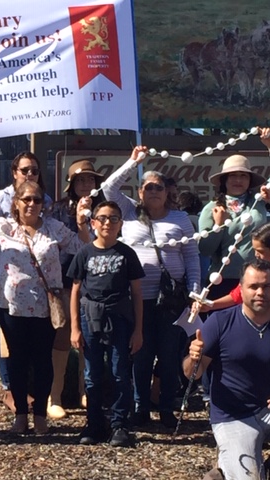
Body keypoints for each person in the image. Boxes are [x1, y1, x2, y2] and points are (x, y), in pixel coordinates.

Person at [0, 180, 90, 434]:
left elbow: (82, 247)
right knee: (17, 361)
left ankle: (41, 415)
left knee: (43, 360)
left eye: (37, 200)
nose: (32, 204)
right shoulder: (3, 226)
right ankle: (21, 414)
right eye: (27, 199)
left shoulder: (54, 228)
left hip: (46, 307)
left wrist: (81, 224)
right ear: (16, 203)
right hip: (11, 306)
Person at [104, 146, 201, 429]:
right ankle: (141, 408)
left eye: (159, 187)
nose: (154, 192)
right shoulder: (129, 212)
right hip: (138, 298)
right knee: (140, 354)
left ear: (167, 191)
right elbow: (109, 188)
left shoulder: (180, 219)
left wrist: (195, 291)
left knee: (170, 356)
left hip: (172, 299)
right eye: (148, 187)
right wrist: (132, 161)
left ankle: (167, 408)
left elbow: (192, 256)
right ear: (140, 192)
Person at [184, 259, 270, 480]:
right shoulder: (219, 322)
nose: (260, 292)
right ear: (241, 289)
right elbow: (192, 372)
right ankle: (228, 470)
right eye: (253, 287)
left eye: (266, 286)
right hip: (234, 416)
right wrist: (194, 358)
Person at [69, 201, 144, 447]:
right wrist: (75, 328)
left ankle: (120, 424)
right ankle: (94, 423)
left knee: (119, 372)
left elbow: (137, 293)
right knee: (92, 374)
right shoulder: (85, 253)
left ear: (120, 224)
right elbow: (76, 290)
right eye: (102, 218)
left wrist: (138, 330)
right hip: (90, 318)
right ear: (93, 223)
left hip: (120, 319)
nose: (107, 223)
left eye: (113, 218)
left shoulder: (126, 254)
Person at [0, 151, 53, 412]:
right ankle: (10, 390)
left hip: (39, 285)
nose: (29, 174)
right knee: (9, 342)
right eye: (25, 170)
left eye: (34, 170)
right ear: (14, 172)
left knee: (39, 353)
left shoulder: (45, 200)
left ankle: (36, 404)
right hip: (5, 271)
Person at [49, 157, 104, 418]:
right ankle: (55, 396)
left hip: (95, 283)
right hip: (64, 280)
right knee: (62, 335)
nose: (85, 184)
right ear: (71, 184)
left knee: (88, 337)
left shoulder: (104, 210)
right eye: (80, 179)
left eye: (90, 179)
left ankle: (86, 391)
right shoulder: (58, 210)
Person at [198, 142, 270, 302]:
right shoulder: (212, 208)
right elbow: (204, 249)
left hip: (259, 278)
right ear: (224, 180)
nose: (238, 180)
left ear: (250, 180)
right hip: (223, 280)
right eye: (233, 175)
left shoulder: (259, 202)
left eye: (243, 175)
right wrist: (218, 225)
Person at [197, 223, 270, 312]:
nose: (256, 255)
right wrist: (210, 305)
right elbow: (238, 294)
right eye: (254, 250)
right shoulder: (258, 268)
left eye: (260, 251)